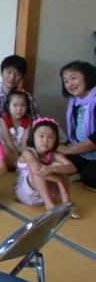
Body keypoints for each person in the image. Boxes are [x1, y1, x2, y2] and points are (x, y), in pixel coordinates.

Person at [15, 117, 78, 218]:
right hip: (27, 194)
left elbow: (72, 168)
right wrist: (58, 179)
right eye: (41, 136)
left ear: (56, 140)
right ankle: (49, 206)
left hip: (50, 193)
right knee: (36, 170)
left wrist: (54, 169)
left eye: (50, 137)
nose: (45, 140)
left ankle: (66, 204)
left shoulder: (55, 154)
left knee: (60, 166)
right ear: (33, 138)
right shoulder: (28, 152)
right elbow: (37, 170)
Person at [57, 60, 96, 190]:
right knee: (54, 160)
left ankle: (82, 173)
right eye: (65, 81)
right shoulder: (75, 102)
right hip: (84, 152)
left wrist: (68, 150)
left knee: (90, 177)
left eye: (73, 78)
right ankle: (80, 171)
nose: (69, 84)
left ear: (87, 76)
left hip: (93, 148)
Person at [0, 89, 32, 169]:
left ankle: (18, 165)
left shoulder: (28, 122)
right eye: (15, 105)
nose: (19, 109)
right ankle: (16, 165)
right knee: (2, 149)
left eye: (23, 105)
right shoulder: (4, 119)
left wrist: (22, 155)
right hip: (8, 147)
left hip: (20, 150)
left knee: (31, 152)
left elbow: (25, 140)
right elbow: (7, 139)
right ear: (8, 106)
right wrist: (17, 156)